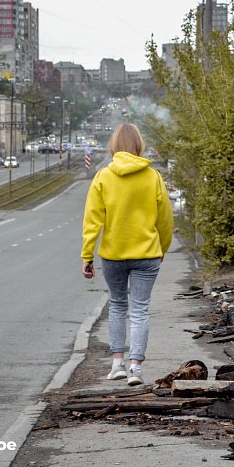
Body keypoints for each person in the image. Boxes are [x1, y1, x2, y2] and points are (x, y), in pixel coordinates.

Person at [81, 123, 173, 385]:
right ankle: (136, 368)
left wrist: (87, 256)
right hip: (147, 254)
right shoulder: (152, 176)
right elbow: (165, 219)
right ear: (138, 146)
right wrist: (162, 248)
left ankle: (117, 364)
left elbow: (92, 221)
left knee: (118, 305)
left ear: (113, 146)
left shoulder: (103, 177)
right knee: (141, 309)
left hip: (113, 255)